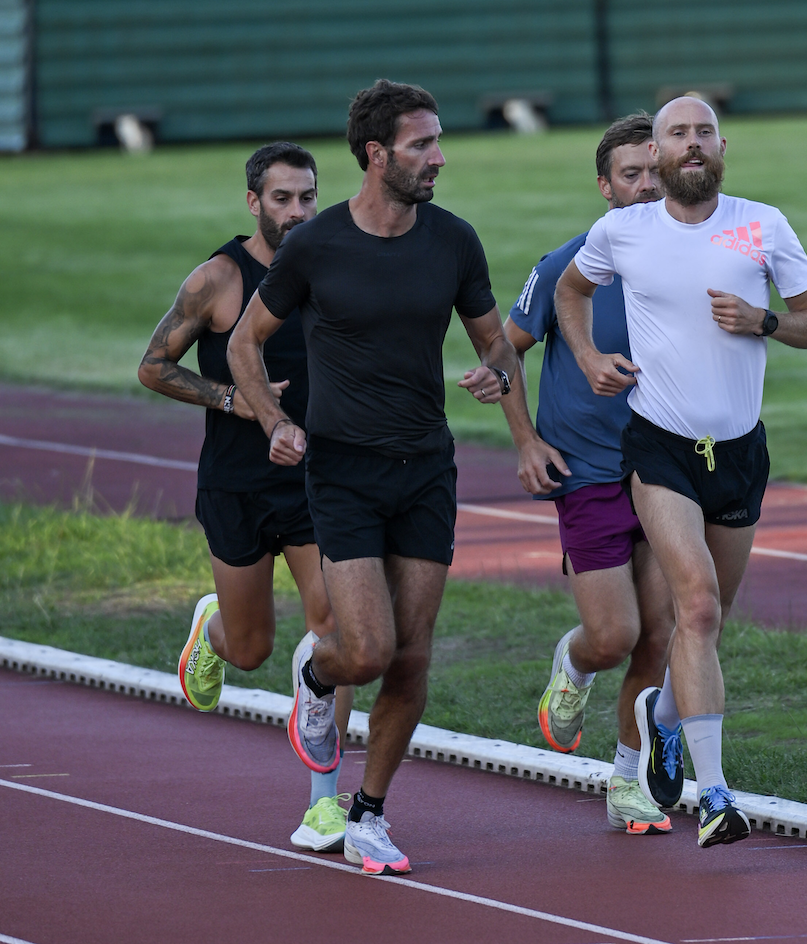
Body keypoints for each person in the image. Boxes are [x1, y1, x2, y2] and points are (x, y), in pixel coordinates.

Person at [228, 79, 518, 876]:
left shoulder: (454, 241)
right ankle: (317, 673)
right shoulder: (314, 245)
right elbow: (244, 346)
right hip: (345, 472)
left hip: (427, 468)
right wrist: (275, 421)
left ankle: (370, 814)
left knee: (414, 657)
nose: (439, 157)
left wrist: (496, 372)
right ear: (376, 154)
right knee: (366, 650)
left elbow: (496, 343)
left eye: (437, 142)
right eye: (423, 145)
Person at [555, 96, 807, 848]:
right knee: (697, 607)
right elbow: (569, 290)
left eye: (704, 132)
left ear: (720, 147)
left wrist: (765, 321)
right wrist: (585, 357)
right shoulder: (623, 231)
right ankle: (714, 796)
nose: (692, 144)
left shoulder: (759, 224)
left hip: (739, 454)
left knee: (709, 622)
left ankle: (663, 718)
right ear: (661, 151)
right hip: (661, 447)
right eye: (678, 134)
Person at [138, 142, 354, 853]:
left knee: (338, 632)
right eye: (283, 199)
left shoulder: (329, 266)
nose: (297, 212)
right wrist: (234, 399)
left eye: (307, 198)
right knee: (253, 650)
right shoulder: (219, 279)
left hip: (315, 483)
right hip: (236, 486)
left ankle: (326, 800)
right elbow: (154, 366)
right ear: (254, 202)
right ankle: (212, 629)